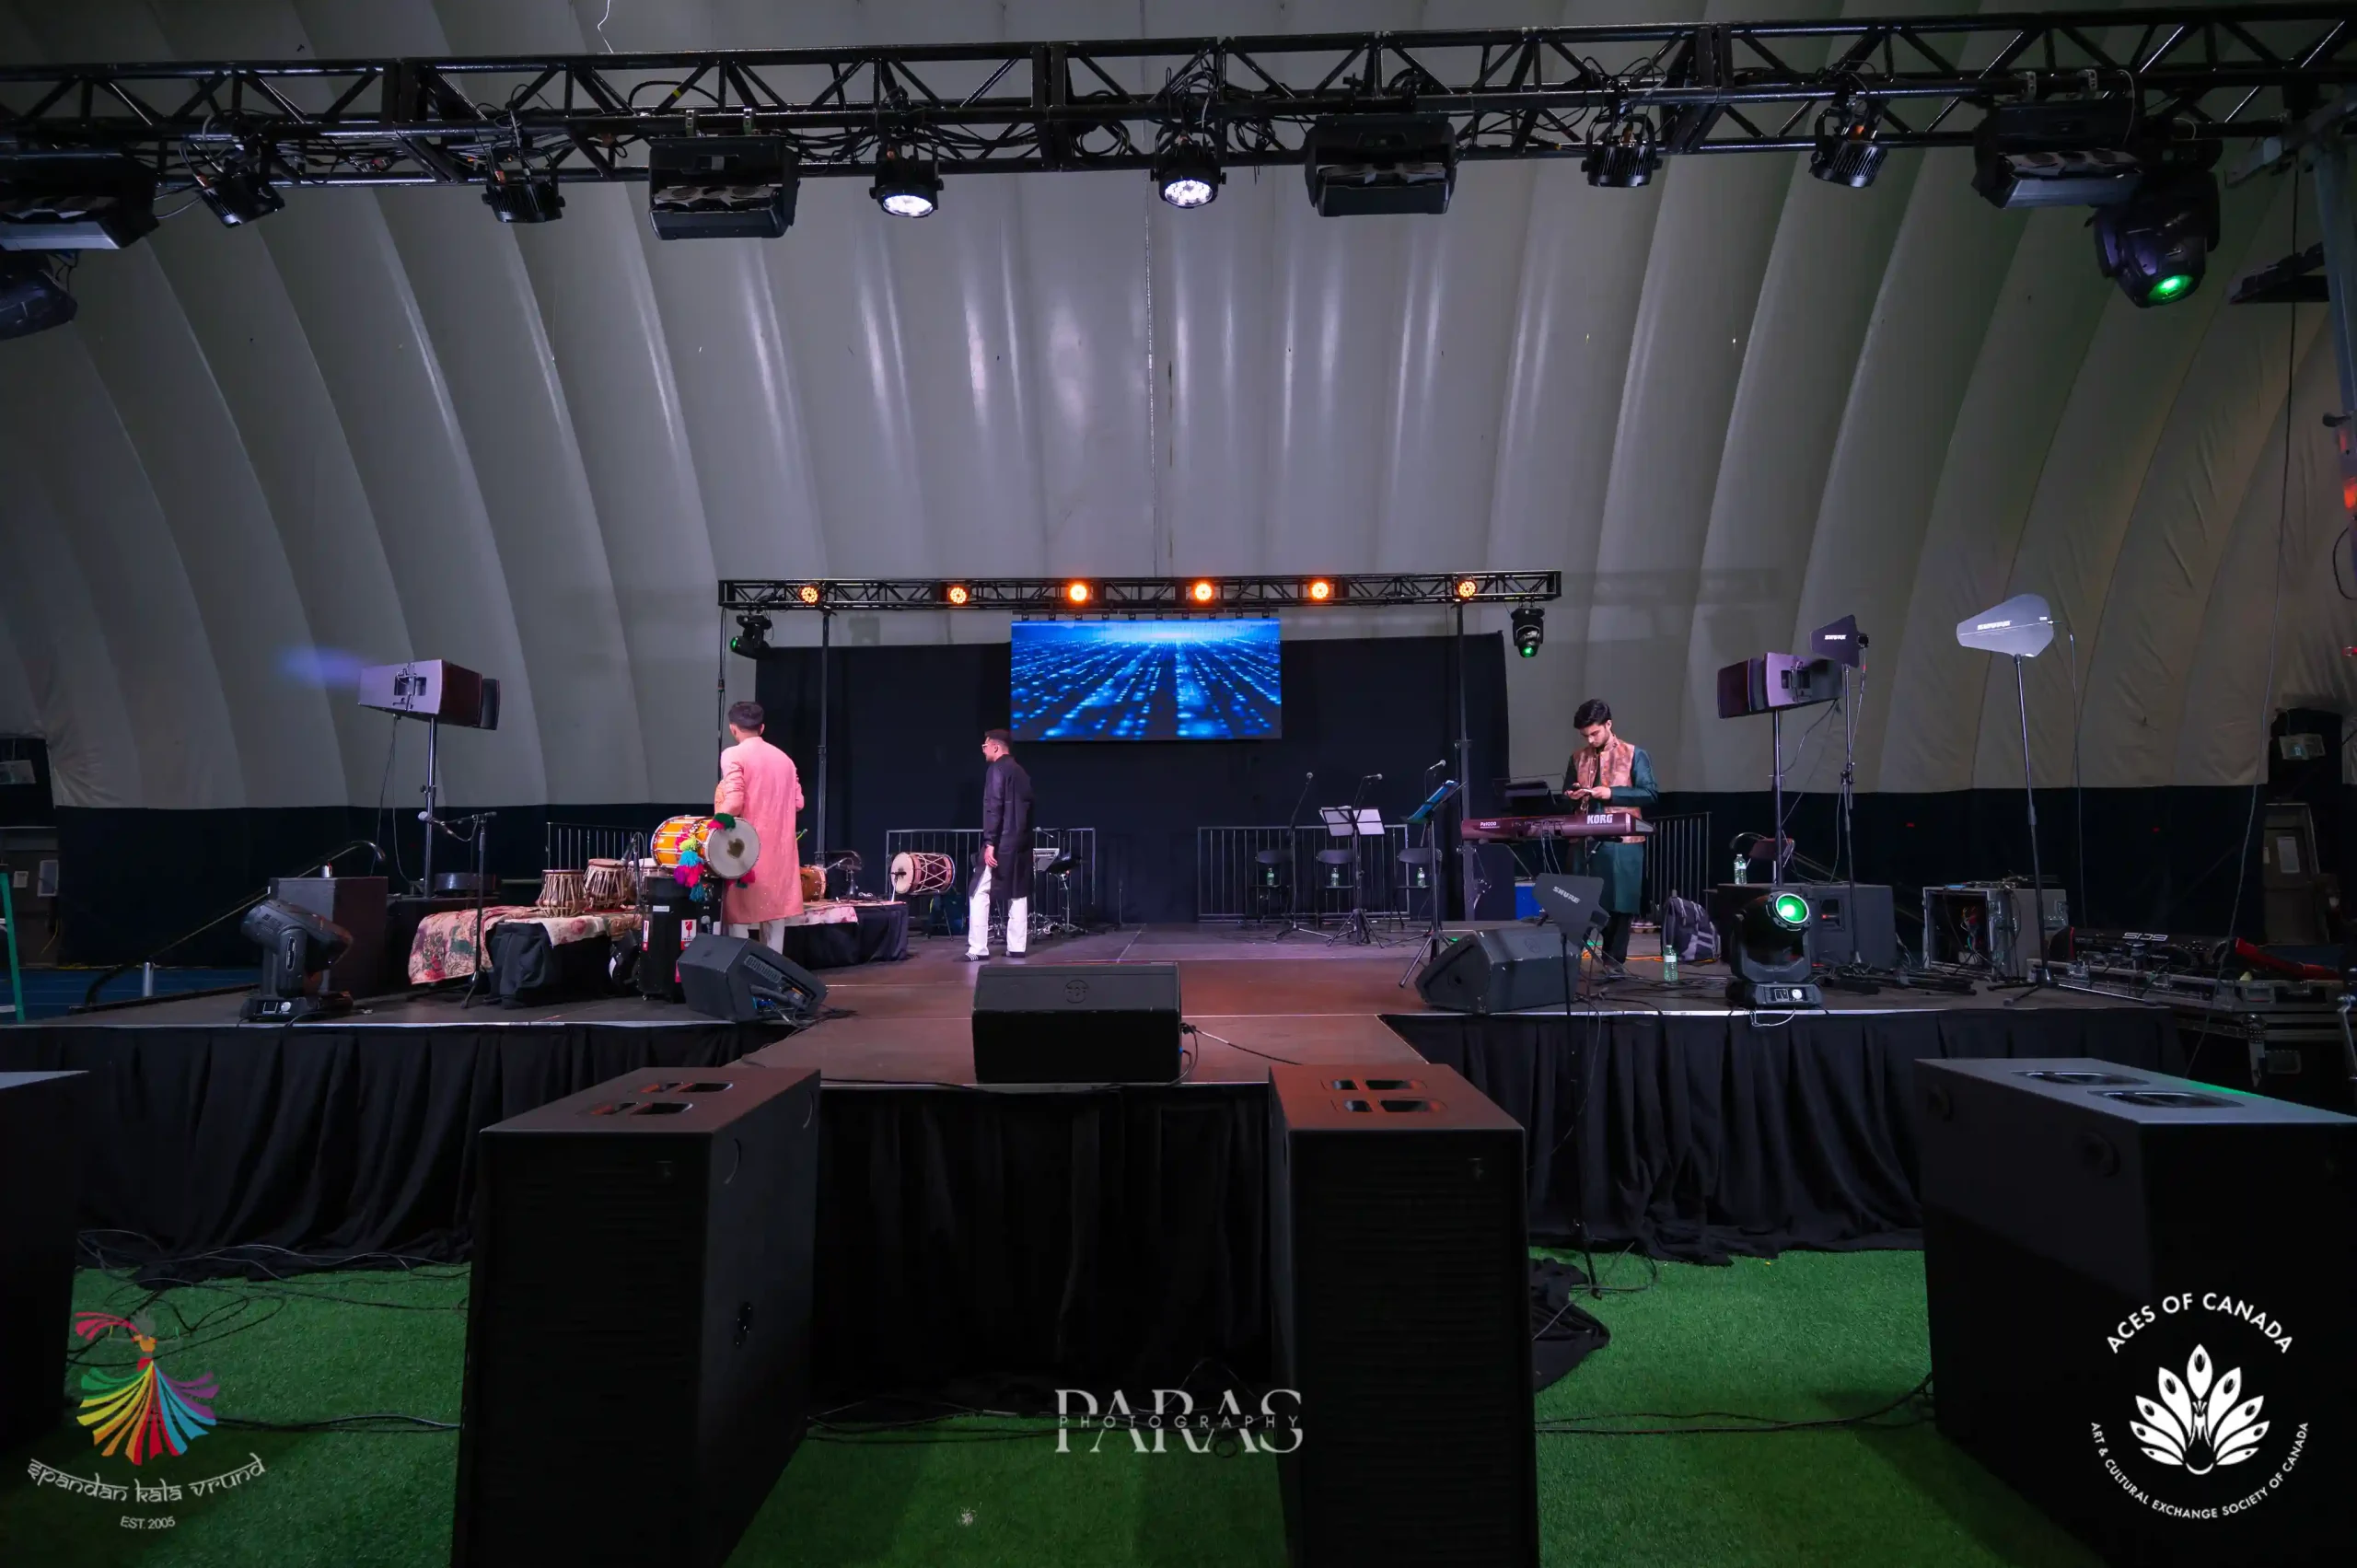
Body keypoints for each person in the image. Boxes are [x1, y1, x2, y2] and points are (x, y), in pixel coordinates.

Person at [1562, 698, 1658, 966]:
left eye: (1594, 733)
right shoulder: (1578, 758)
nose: (1590, 740)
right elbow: (1566, 794)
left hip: (1621, 842)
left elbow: (1649, 793)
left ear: (1608, 724)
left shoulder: (1634, 753)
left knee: (1619, 903)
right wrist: (1572, 795)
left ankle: (1613, 964)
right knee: (1577, 901)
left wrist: (1611, 793)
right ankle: (1567, 963)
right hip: (1583, 839)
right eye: (1585, 736)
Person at [714, 700, 805, 952]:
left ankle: (738, 968)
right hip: (780, 851)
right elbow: (798, 802)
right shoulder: (785, 760)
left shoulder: (733, 754)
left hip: (745, 849)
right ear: (762, 728)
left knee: (738, 915)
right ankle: (772, 971)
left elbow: (734, 802)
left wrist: (713, 825)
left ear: (733, 728)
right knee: (775, 916)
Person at [966, 728, 1034, 961]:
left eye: (985, 746)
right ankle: (1017, 947)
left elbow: (994, 807)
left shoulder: (997, 770)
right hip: (1021, 842)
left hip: (1001, 842)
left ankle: (978, 948)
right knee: (1018, 892)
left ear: (995, 747)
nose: (983, 750)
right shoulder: (1021, 772)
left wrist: (989, 843)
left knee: (978, 891)